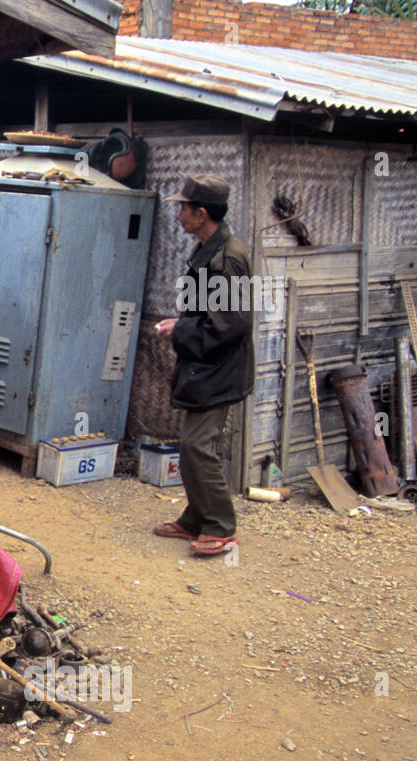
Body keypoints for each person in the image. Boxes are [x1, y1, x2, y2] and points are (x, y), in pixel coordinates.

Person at [152, 174, 254, 556]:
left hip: (221, 367)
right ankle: (194, 519)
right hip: (204, 363)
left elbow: (232, 322)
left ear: (202, 212)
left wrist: (181, 330)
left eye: (183, 208)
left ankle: (220, 525)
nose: (178, 214)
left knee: (198, 446)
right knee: (192, 446)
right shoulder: (207, 249)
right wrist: (183, 326)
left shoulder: (229, 259)